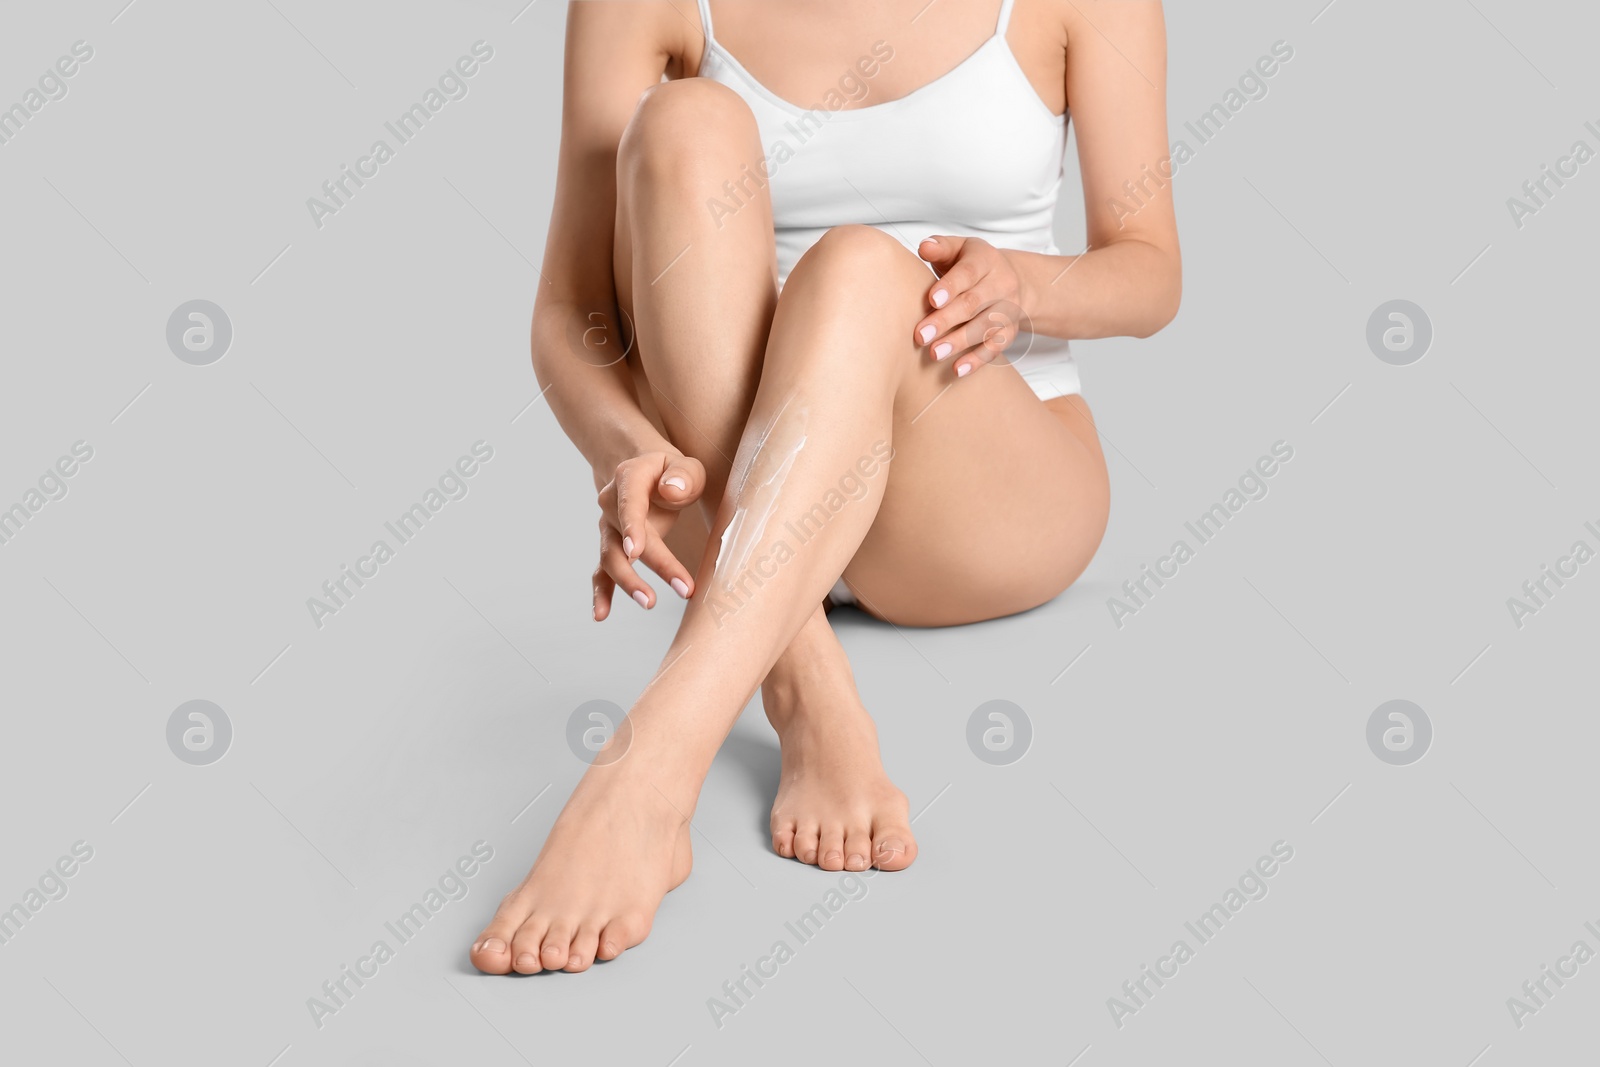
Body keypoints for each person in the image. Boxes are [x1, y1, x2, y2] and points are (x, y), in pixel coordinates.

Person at [470, 0, 1179, 975]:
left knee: (857, 264)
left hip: (982, 478)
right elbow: (571, 309)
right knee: (683, 123)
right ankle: (804, 685)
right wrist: (625, 443)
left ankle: (649, 770)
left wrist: (1021, 286)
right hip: (748, 470)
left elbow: (1150, 272)